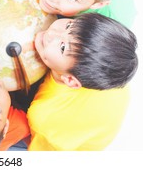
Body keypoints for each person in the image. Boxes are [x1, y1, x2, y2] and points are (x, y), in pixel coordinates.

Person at [27, 13, 138, 150]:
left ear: (70, 80)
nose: (53, 32)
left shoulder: (43, 119)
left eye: (62, 47)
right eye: (69, 25)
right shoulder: (115, 68)